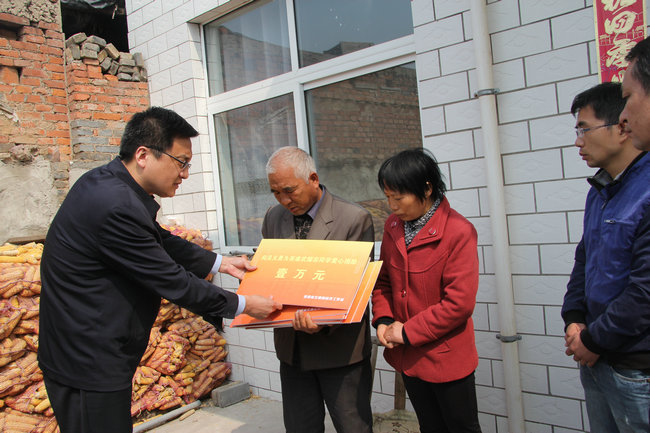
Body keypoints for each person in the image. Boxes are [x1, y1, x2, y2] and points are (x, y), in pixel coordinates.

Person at [38, 107, 281, 433]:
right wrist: (244, 305)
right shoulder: (115, 204)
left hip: (92, 350)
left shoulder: (108, 183)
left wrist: (220, 262)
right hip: (87, 361)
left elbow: (158, 239)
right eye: (181, 162)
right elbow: (173, 281)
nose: (185, 174)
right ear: (143, 155)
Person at [261, 146, 375, 433]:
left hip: (340, 352)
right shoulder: (273, 217)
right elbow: (270, 272)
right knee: (300, 427)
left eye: (290, 191)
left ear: (313, 179)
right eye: (276, 192)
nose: (284, 200)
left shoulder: (353, 218)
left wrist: (323, 322)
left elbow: (356, 289)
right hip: (292, 350)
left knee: (353, 427)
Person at [371, 148, 481, 433]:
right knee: (430, 426)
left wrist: (407, 332)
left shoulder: (458, 231)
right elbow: (383, 282)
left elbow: (458, 304)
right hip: (409, 357)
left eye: (399, 198)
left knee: (461, 427)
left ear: (427, 188)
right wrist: (383, 320)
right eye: (387, 197)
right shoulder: (394, 226)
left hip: (447, 358)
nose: (392, 206)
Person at [561, 81, 650, 432]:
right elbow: (584, 260)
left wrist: (594, 339)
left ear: (622, 127)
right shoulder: (600, 190)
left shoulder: (645, 191)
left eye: (585, 129)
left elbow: (644, 291)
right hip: (594, 357)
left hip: (635, 368)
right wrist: (574, 318)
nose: (578, 141)